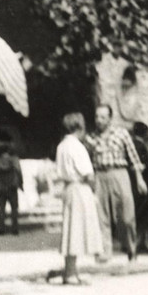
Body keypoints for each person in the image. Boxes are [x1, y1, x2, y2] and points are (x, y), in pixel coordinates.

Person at [46, 112, 104, 285]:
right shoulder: (77, 146)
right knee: (78, 230)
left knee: (72, 230)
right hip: (80, 188)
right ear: (80, 126)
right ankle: (70, 274)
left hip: (69, 188)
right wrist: (94, 191)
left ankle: (70, 271)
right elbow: (87, 173)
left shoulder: (62, 146)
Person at [85, 103, 146, 261]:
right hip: (100, 176)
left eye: (103, 117)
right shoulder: (91, 138)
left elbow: (133, 157)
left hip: (120, 174)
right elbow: (88, 161)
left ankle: (132, 249)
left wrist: (139, 179)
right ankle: (106, 253)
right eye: (97, 116)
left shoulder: (122, 134)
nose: (99, 120)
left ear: (110, 119)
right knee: (101, 216)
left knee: (127, 216)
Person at [129, 121, 148, 253]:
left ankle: (138, 243)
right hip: (143, 184)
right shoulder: (140, 146)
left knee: (139, 213)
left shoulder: (132, 145)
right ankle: (139, 244)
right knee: (142, 214)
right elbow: (143, 165)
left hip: (135, 185)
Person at [0, 138, 23, 235]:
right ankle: (15, 229)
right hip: (12, 186)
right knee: (14, 208)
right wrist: (21, 184)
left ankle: (1, 229)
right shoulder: (14, 160)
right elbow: (19, 172)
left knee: (1, 208)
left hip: (0, 187)